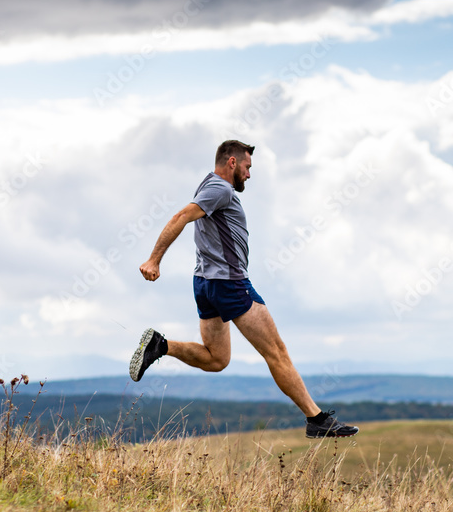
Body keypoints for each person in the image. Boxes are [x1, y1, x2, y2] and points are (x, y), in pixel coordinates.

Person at [130, 140, 358, 438]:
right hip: (230, 284)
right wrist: (154, 259)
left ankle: (161, 346)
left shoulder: (208, 184)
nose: (249, 175)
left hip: (205, 283)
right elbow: (180, 217)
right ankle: (316, 419)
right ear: (233, 163)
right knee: (276, 352)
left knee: (216, 359)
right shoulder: (220, 189)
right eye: (248, 167)